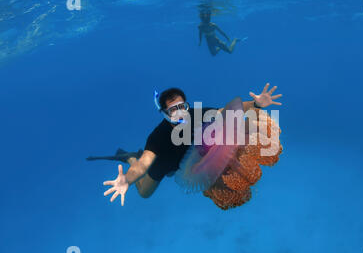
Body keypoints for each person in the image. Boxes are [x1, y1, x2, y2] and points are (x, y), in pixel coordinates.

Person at [96, 83, 282, 206]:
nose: (180, 114)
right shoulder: (157, 138)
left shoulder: (197, 114)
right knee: (145, 193)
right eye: (172, 110)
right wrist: (127, 179)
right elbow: (144, 163)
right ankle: (129, 157)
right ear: (163, 113)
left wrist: (256, 104)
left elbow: (226, 111)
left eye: (182, 107)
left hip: (193, 159)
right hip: (165, 161)